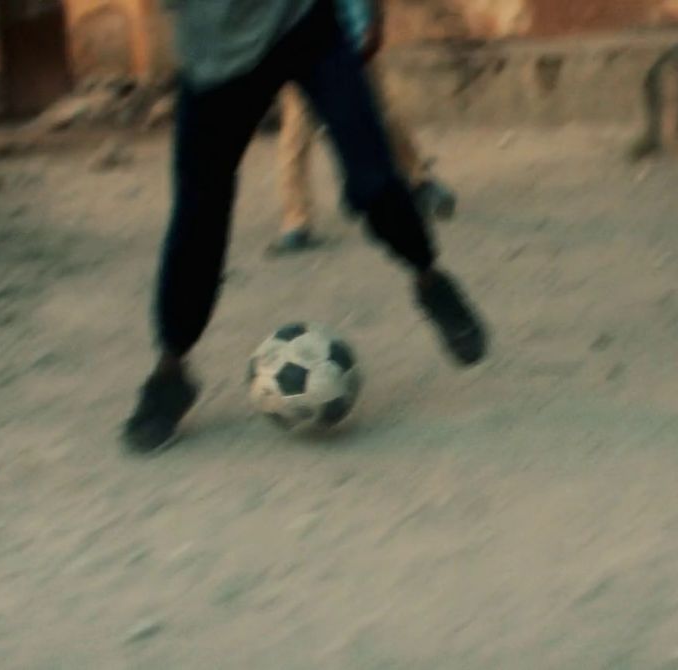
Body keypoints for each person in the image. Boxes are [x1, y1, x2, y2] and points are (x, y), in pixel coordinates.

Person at [123, 0, 489, 453]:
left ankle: (430, 279)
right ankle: (170, 373)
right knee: (199, 214)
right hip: (215, 56)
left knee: (374, 180)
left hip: (302, 22)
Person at [272, 0, 457, 253]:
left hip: (344, 39)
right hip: (301, 44)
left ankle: (419, 181)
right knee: (296, 134)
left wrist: (371, 25)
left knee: (382, 114)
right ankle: (295, 220)